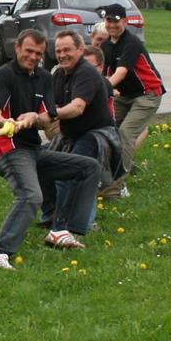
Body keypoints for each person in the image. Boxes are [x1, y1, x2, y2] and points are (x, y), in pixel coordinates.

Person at [0, 30, 99, 269]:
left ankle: (61, 230)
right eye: (29, 51)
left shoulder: (45, 77)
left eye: (38, 53)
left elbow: (48, 119)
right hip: (9, 149)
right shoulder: (4, 75)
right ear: (17, 48)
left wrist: (35, 118)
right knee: (31, 196)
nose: (33, 57)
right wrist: (6, 121)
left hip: (33, 150)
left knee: (88, 168)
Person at [50, 29, 124, 232]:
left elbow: (77, 108)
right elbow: (48, 103)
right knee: (53, 170)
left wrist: (49, 115)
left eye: (67, 49)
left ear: (80, 49)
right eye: (58, 51)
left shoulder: (86, 73)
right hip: (71, 135)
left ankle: (74, 227)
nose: (62, 55)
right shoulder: (59, 74)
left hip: (98, 135)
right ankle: (57, 221)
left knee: (77, 172)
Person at [98, 4, 165, 197]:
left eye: (116, 21)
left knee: (125, 134)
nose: (112, 25)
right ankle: (114, 171)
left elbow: (121, 72)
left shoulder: (131, 43)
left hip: (148, 94)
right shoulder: (106, 46)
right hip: (125, 95)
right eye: (109, 20)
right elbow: (104, 73)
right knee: (105, 130)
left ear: (125, 22)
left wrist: (102, 89)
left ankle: (116, 187)